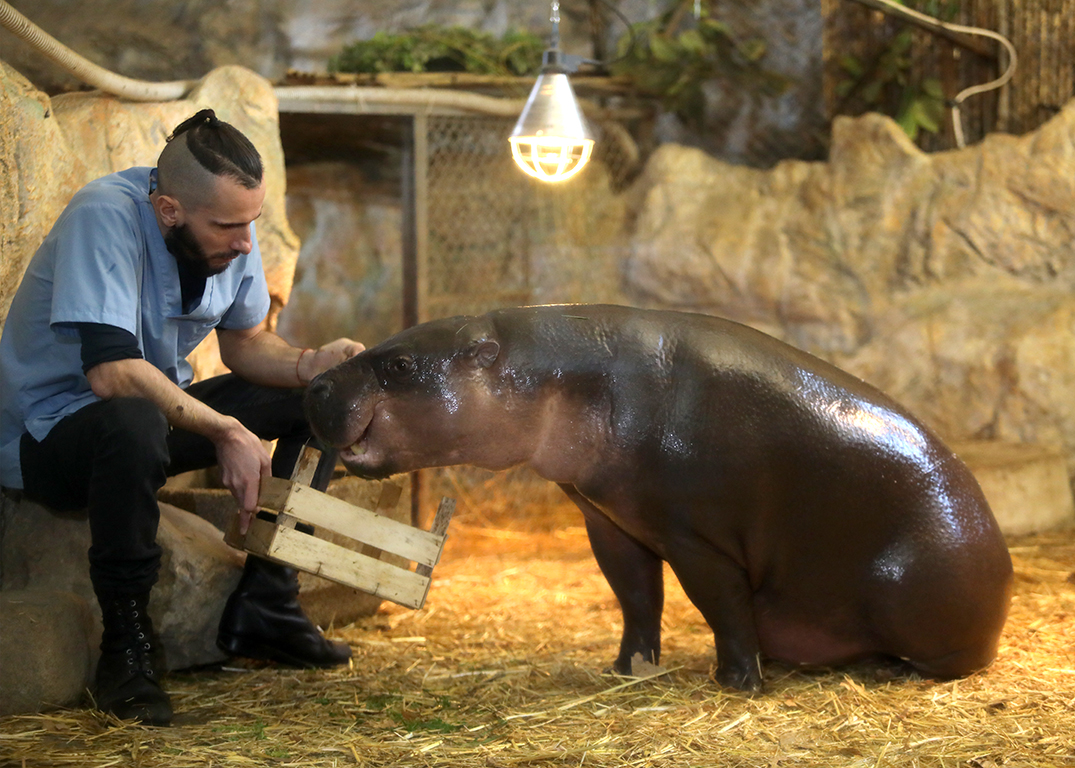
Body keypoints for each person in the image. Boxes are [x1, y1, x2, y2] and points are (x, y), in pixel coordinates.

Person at [0, 109, 364, 726]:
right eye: (229, 226)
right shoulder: (103, 215)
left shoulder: (230, 231)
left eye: (250, 221)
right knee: (136, 420)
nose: (247, 243)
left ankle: (268, 602)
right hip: (50, 435)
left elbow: (245, 344)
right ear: (169, 210)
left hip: (146, 416)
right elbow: (112, 374)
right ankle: (127, 650)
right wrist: (226, 429)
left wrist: (313, 365)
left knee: (326, 397)